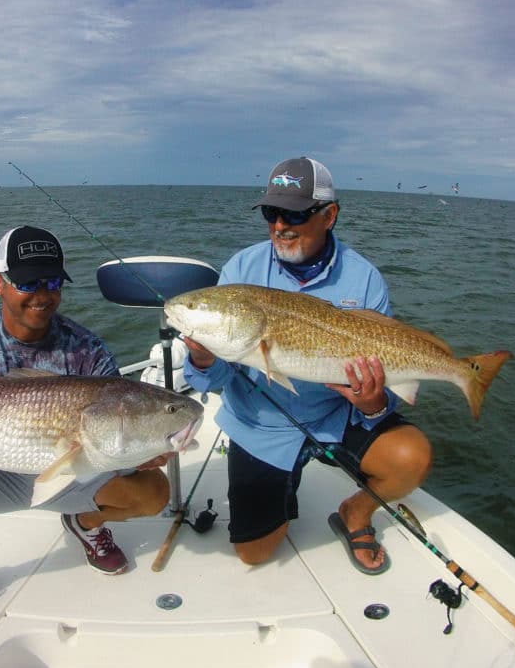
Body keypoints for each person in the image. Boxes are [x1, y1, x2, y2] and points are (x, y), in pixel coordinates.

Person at [0, 225, 171, 629]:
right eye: (28, 282)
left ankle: (85, 524)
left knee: (155, 492)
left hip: (68, 473)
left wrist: (141, 451)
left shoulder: (88, 350)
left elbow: (110, 429)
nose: (43, 295)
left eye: (52, 281)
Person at [181, 157, 432, 574]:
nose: (280, 224)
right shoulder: (242, 270)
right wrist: (203, 358)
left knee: (412, 457)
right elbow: (220, 377)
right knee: (254, 554)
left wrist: (372, 404)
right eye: (271, 212)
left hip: (336, 414)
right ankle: (282, 480)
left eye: (295, 213)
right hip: (260, 425)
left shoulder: (364, 278)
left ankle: (356, 512)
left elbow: (383, 390)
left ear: (329, 215)